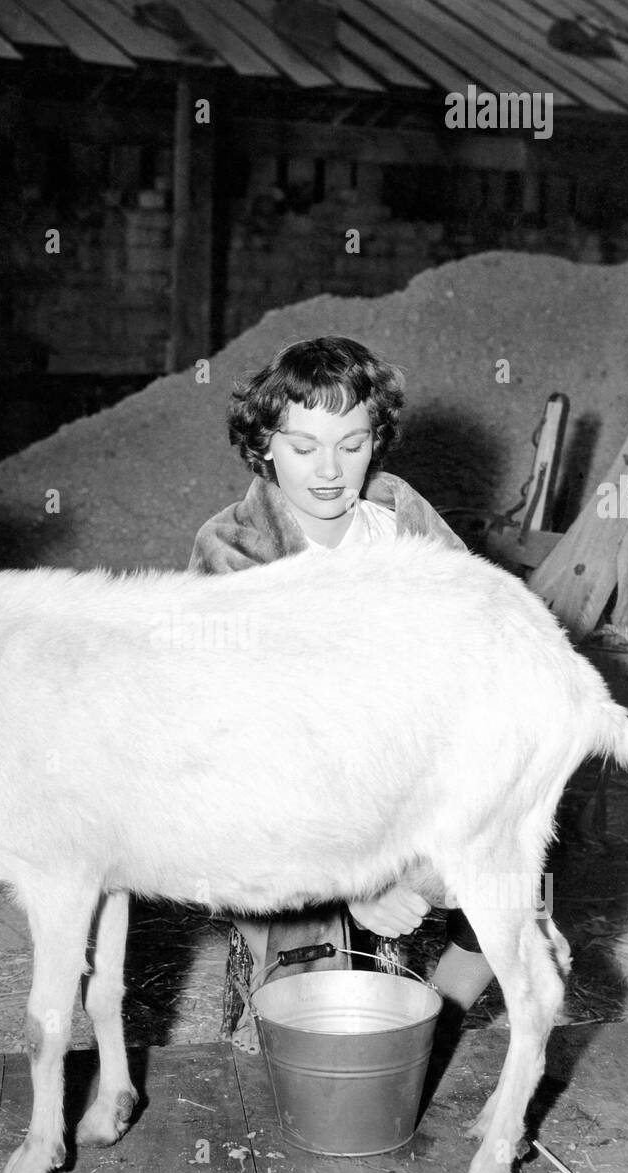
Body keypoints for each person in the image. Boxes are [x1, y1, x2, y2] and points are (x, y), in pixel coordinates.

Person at [188, 336, 495, 1052]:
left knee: (522, 863)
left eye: (351, 444)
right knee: (306, 1024)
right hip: (282, 801)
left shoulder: (406, 528)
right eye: (303, 447)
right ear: (265, 444)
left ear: (376, 440)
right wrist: (353, 877)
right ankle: (308, 1002)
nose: (328, 471)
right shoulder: (233, 549)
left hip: (399, 782)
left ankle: (425, 1029)